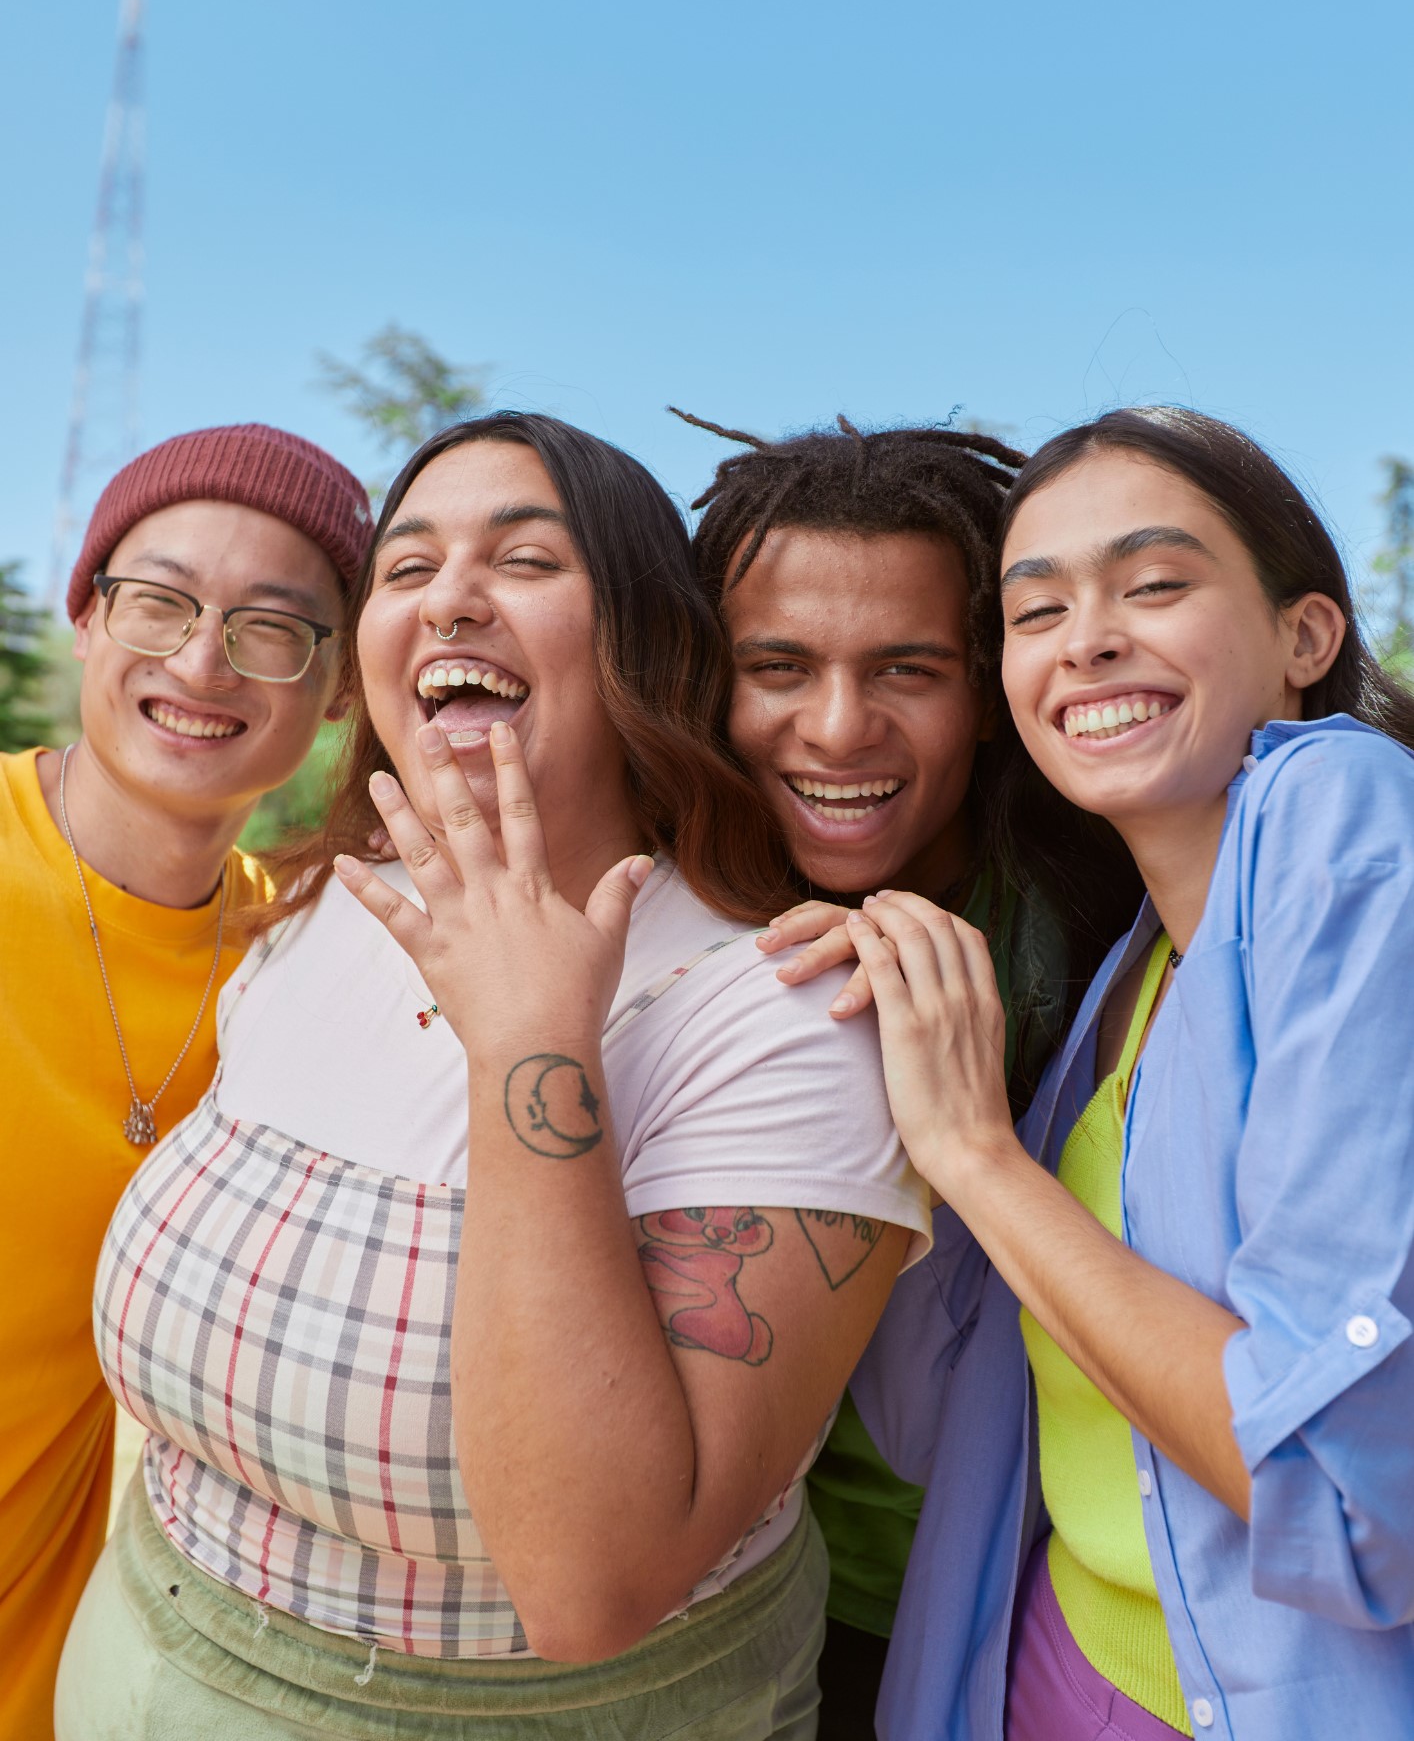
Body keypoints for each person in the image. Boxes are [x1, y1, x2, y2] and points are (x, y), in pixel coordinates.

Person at [58, 413, 933, 1740]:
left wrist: (533, 1046)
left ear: (647, 635)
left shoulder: (790, 1016)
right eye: (404, 570)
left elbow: (597, 1585)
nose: (451, 596)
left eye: (525, 561)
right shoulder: (316, 915)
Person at [809, 407, 1414, 1739]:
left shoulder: (1341, 812)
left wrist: (973, 1153)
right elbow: (938, 1430)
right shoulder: (1120, 977)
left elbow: (1334, 1487)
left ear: (1302, 638)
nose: (1086, 637)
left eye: (1153, 585)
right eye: (1036, 611)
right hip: (1045, 1651)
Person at [676, 409, 1114, 1735]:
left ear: (985, 696)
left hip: (1012, 1619)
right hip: (722, 1613)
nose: (837, 726)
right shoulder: (650, 918)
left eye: (907, 669)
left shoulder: (1104, 927)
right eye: (777, 664)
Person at [0, 422, 370, 1740]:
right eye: (157, 601)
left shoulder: (309, 966)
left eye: (273, 628)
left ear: (338, 688)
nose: (201, 662)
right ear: (87, 618)